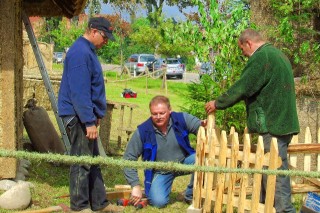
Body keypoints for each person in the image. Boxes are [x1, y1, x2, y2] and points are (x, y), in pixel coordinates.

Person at [205, 29, 300, 213]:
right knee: (268, 172)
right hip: (283, 123)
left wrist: (218, 103)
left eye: (242, 50)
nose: (244, 54)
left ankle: (285, 211)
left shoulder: (261, 57)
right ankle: (266, 208)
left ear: (248, 43)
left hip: (273, 125)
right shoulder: (278, 54)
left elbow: (243, 87)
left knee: (275, 174)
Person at [58, 17, 124, 213]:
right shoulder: (80, 53)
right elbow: (80, 91)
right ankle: (79, 207)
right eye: (104, 37)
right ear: (93, 31)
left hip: (84, 116)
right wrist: (88, 121)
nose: (106, 42)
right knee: (82, 162)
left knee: (92, 161)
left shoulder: (87, 51)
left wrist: (95, 114)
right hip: (78, 117)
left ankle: (100, 204)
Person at [123, 95, 205, 208]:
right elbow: (128, 159)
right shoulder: (142, 131)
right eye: (154, 114)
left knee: (203, 160)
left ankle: (189, 194)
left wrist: (204, 126)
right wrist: (135, 186)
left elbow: (199, 126)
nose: (158, 117)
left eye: (162, 113)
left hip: (184, 162)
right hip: (161, 171)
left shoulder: (181, 119)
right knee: (158, 202)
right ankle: (159, 189)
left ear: (170, 110)